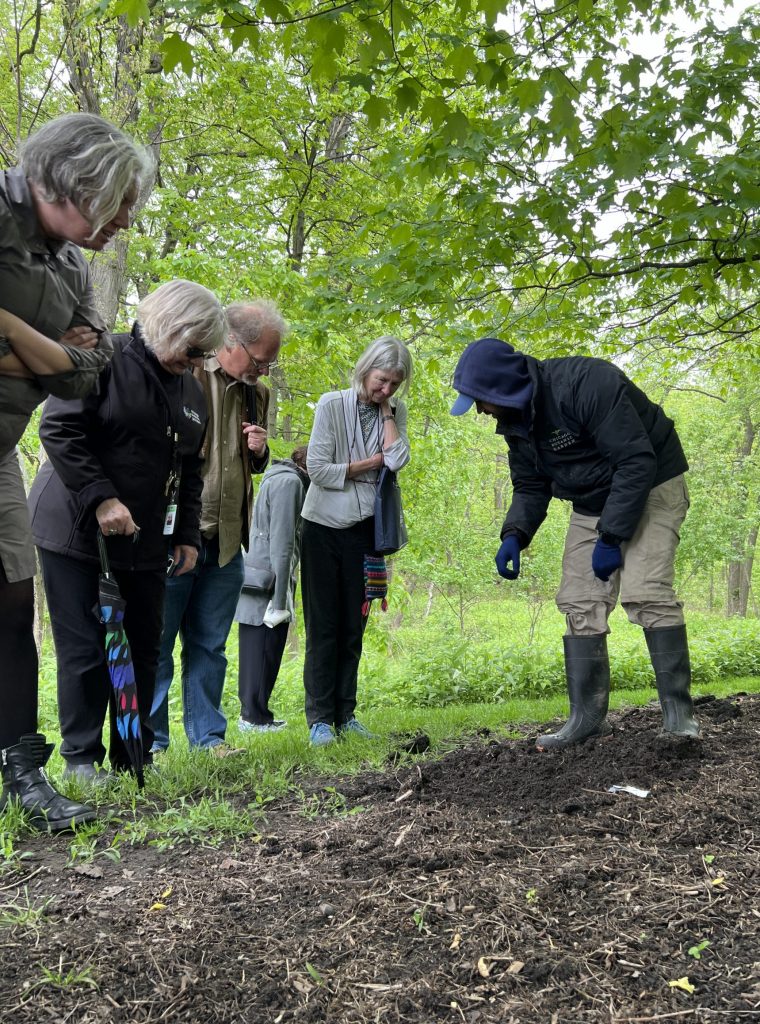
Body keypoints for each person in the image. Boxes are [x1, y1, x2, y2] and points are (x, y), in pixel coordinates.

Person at [0, 112, 148, 830]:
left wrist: (8, 330)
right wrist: (49, 350)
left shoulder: (69, 264)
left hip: (0, 449)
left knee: (9, 604)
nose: (124, 219)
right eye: (117, 201)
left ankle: (21, 776)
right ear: (71, 179)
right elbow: (66, 368)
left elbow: (88, 372)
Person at [450, 336, 700, 749]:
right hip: (592, 498)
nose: (479, 410)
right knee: (579, 599)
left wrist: (611, 537)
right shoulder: (515, 422)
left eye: (480, 400)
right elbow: (531, 483)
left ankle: (678, 717)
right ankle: (586, 718)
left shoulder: (587, 384)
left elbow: (636, 461)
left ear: (503, 387)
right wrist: (515, 534)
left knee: (646, 592)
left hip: (652, 481)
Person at [27, 279, 224, 781]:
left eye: (204, 353)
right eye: (194, 348)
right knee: (87, 648)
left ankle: (132, 756)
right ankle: (81, 758)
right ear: (171, 327)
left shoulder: (191, 389)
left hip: (146, 540)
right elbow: (59, 429)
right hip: (76, 531)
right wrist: (102, 497)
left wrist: (186, 536)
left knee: (143, 643)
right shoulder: (105, 357)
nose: (198, 361)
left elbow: (191, 469)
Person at [148, 301, 286, 754]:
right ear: (230, 341)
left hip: (227, 540)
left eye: (270, 363)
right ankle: (152, 744)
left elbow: (252, 467)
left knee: (210, 645)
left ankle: (208, 738)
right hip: (176, 533)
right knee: (158, 643)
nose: (263, 370)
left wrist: (261, 451)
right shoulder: (184, 377)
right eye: (260, 359)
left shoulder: (257, 395)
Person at [301, 336, 412, 747]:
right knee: (324, 625)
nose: (386, 391)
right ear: (366, 369)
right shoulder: (332, 404)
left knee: (355, 624)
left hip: (368, 531)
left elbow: (399, 459)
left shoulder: (395, 412)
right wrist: (371, 464)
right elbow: (318, 469)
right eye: (381, 381)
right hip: (323, 529)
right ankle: (320, 720)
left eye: (394, 386)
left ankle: (346, 714)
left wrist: (387, 415)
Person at [235, 445, 309, 733]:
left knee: (261, 649)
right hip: (269, 583)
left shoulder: (277, 477)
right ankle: (252, 718)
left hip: (262, 576)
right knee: (263, 650)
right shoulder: (290, 483)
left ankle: (257, 714)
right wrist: (280, 600)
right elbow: (282, 542)